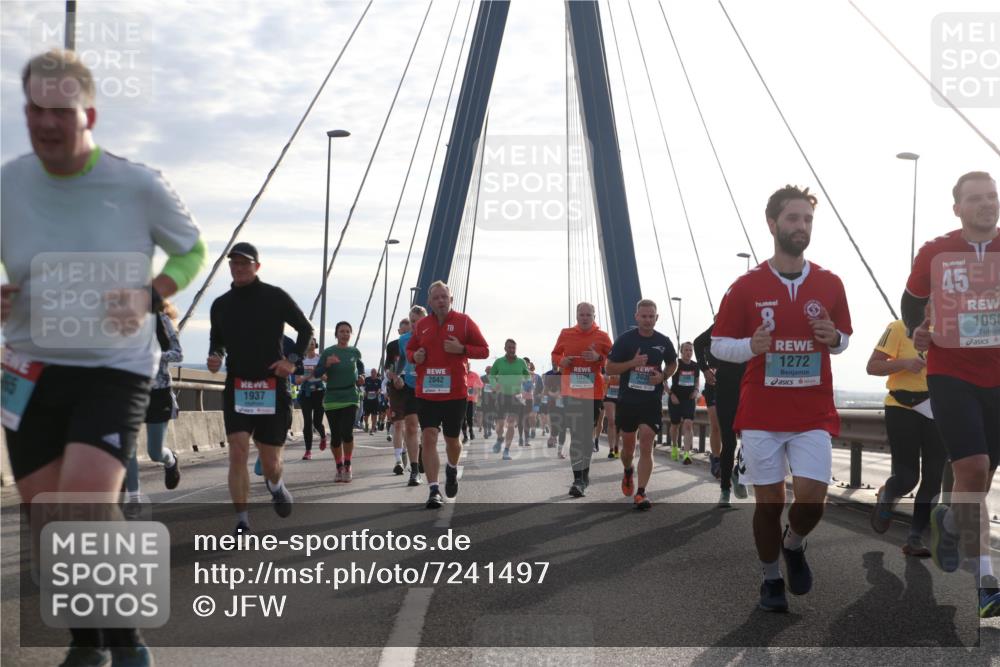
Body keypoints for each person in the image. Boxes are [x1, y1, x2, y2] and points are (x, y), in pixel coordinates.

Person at [1, 49, 205, 666]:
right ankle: (88, 643)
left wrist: (151, 295)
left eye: (58, 110)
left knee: (87, 500)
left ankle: (130, 641)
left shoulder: (135, 184)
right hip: (29, 369)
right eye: (34, 107)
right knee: (45, 519)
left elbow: (191, 252)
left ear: (87, 112)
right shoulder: (9, 182)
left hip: (113, 367)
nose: (45, 121)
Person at [711, 184, 852, 613]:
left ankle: (795, 545)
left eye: (807, 220)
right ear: (772, 224)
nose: (801, 227)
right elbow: (719, 344)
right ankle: (771, 579)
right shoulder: (747, 285)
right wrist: (750, 347)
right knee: (769, 504)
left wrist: (835, 339)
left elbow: (843, 339)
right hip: (760, 412)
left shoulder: (830, 283)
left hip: (812, 410)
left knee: (811, 501)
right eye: (793, 219)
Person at [901, 171, 999, 618]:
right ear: (957, 207)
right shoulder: (936, 251)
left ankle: (950, 521)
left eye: (992, 196)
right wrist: (916, 330)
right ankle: (987, 585)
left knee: (978, 481)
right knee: (973, 468)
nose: (986, 203)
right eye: (975, 198)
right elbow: (910, 301)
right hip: (950, 370)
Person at [208, 242, 312, 535]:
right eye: (234, 263)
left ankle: (276, 486)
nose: (239, 268)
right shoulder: (221, 305)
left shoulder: (275, 297)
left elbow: (305, 329)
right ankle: (242, 520)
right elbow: (217, 339)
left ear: (257, 266)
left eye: (244, 263)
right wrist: (215, 356)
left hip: (272, 387)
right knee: (238, 452)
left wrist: (291, 362)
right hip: (238, 386)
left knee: (270, 462)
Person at [866, 319, 946, 557]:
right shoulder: (898, 327)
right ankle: (888, 493)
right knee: (908, 478)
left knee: (933, 477)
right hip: (902, 407)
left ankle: (915, 538)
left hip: (939, 409)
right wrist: (905, 363)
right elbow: (872, 366)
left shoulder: (952, 331)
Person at [406, 281, 489, 509]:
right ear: (430, 302)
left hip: (455, 394)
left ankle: (451, 468)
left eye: (445, 297)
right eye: (436, 298)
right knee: (429, 437)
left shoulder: (464, 322)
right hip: (427, 392)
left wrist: (462, 349)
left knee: (453, 441)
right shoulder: (422, 325)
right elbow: (410, 350)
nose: (441, 301)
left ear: (451, 299)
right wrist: (416, 357)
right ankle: (434, 490)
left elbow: (484, 350)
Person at [606, 299, 678, 510]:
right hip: (628, 401)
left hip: (650, 402)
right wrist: (632, 364)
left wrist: (663, 375)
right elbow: (609, 368)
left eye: (651, 316)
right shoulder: (625, 340)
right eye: (643, 316)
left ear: (657, 317)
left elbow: (673, 363)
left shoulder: (663, 341)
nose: (647, 320)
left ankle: (641, 492)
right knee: (628, 449)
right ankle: (628, 470)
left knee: (646, 444)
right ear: (636, 317)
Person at [124, 300, 184, 512]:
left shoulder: (162, 321)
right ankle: (134, 498)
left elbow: (178, 354)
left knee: (155, 452)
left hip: (158, 393)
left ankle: (170, 461)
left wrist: (155, 356)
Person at [551, 302, 613, 496]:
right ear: (576, 316)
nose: (584, 318)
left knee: (586, 437)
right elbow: (555, 354)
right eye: (581, 314)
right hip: (571, 391)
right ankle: (578, 479)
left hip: (593, 392)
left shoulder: (602, 337)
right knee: (577, 435)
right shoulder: (566, 333)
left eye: (588, 314)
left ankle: (584, 475)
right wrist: (561, 361)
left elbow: (613, 360)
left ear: (594, 316)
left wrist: (598, 359)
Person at [695, 318, 748, 507]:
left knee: (752, 439)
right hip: (724, 387)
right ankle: (725, 491)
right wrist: (705, 370)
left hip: (750, 387)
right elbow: (698, 342)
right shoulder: (722, 325)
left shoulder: (754, 321)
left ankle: (737, 472)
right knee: (729, 441)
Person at [315, 321, 364, 482]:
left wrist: (362, 377)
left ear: (351, 334)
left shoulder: (354, 352)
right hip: (332, 398)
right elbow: (317, 372)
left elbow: (360, 367)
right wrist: (327, 364)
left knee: (347, 433)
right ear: (336, 334)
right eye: (341, 331)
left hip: (350, 395)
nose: (344, 334)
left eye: (347, 331)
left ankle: (348, 464)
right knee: (336, 437)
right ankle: (339, 466)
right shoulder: (329, 352)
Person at [395, 306, 427, 485]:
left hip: (430, 388)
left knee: (429, 431)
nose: (416, 324)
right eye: (413, 321)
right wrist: (397, 375)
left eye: (419, 321)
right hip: (410, 387)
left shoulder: (433, 337)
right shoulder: (404, 339)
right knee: (411, 426)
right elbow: (401, 361)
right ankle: (414, 470)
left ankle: (423, 450)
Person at [489, 339, 531, 459]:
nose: (512, 350)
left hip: (516, 397)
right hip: (502, 395)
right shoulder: (498, 362)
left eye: (514, 348)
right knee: (500, 425)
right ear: (505, 348)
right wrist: (493, 385)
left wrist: (526, 385)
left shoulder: (521, 362)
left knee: (511, 423)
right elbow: (492, 375)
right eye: (509, 348)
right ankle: (499, 438)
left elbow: (527, 376)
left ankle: (506, 450)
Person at [693, 324, 723, 478]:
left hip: (733, 384)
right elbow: (696, 342)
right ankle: (717, 459)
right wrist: (705, 369)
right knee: (716, 424)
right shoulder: (710, 336)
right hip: (713, 384)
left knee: (732, 427)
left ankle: (732, 459)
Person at [385, 317, 412, 473]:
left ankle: (409, 452)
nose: (406, 334)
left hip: (412, 387)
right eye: (404, 331)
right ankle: (398, 461)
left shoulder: (416, 343)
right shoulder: (392, 346)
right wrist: (395, 378)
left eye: (409, 331)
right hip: (396, 387)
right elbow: (388, 368)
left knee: (411, 426)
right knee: (397, 424)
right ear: (399, 331)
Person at [667, 342, 701, 465]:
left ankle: (687, 454)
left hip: (689, 399)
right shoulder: (676, 364)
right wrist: (671, 394)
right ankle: (675, 446)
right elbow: (664, 380)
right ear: (681, 352)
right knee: (675, 425)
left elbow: (697, 381)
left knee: (688, 424)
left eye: (690, 350)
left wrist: (696, 391)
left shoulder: (695, 366)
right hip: (676, 399)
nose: (688, 352)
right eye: (686, 350)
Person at [295, 337, 327, 460]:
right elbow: (297, 380)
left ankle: (323, 436)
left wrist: (318, 374)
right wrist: (307, 377)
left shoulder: (320, 359)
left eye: (313, 343)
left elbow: (327, 378)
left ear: (316, 345)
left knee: (317, 422)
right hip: (306, 393)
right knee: (307, 422)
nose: (311, 345)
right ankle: (308, 451)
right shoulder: (300, 360)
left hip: (319, 393)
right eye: (308, 343)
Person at [462, 361, 483, 443]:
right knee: (463, 418)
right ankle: (465, 436)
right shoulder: (459, 374)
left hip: (471, 399)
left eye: (468, 365)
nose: (466, 367)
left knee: (469, 417)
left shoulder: (474, 375)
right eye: (465, 365)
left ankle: (471, 430)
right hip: (461, 399)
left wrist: (477, 392)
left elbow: (480, 386)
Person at [362, 368, 381, 434]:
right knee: (365, 416)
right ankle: (366, 424)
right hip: (367, 400)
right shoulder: (367, 379)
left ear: (376, 373)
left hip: (375, 400)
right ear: (371, 373)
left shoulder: (378, 380)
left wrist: (376, 393)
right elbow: (363, 387)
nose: (373, 374)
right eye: (372, 372)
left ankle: (373, 428)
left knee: (374, 415)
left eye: (374, 372)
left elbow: (379, 389)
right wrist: (364, 393)